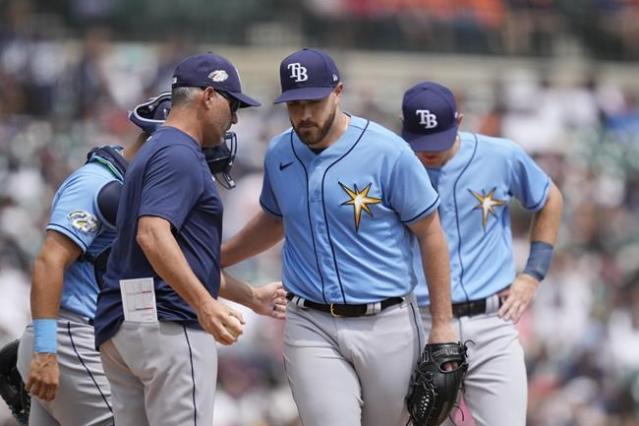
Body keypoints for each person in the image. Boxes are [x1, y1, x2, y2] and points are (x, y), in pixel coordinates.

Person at [221, 48, 457, 426]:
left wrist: (443, 324)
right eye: (294, 104)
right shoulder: (280, 151)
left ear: (338, 92)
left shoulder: (387, 151)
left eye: (313, 102)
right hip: (309, 321)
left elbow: (430, 232)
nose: (304, 114)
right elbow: (276, 218)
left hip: (387, 321)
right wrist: (218, 258)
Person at [92, 53, 286, 426]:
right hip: (169, 326)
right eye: (232, 105)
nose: (235, 118)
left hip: (128, 326)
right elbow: (152, 235)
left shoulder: (154, 150)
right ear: (209, 96)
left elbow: (178, 257)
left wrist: (250, 296)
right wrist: (203, 303)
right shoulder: (180, 153)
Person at [400, 81, 563, 426]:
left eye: (437, 140)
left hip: (491, 322)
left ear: (458, 121)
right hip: (419, 323)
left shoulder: (500, 155)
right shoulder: (394, 165)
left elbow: (549, 198)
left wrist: (532, 274)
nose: (429, 151)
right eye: (421, 141)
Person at [15, 92, 170, 426]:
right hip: (70, 337)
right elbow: (48, 262)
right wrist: (45, 350)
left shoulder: (134, 190)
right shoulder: (96, 183)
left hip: (81, 343)